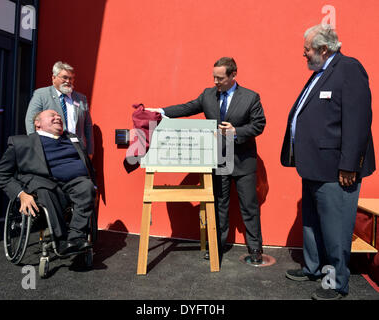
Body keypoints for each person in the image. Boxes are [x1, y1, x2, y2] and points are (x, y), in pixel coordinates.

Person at [280, 24, 375, 300]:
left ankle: (334, 283)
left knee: (335, 229)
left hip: (337, 169)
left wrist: (350, 164)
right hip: (313, 166)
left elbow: (358, 122)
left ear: (323, 49)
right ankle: (313, 268)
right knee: (311, 223)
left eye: (307, 50)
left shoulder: (348, 69)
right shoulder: (320, 73)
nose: (304, 55)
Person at [147, 57, 266, 263]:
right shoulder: (208, 95)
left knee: (249, 207)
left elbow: (259, 125)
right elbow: (187, 107)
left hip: (243, 162)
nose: (215, 82)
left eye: (220, 78)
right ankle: (217, 245)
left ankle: (255, 249)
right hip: (218, 160)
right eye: (213, 77)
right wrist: (162, 112)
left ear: (233, 75)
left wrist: (236, 131)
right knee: (219, 205)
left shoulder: (250, 97)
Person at [0, 110, 96, 255]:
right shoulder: (21, 143)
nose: (57, 118)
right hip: (45, 186)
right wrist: (21, 194)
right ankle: (60, 241)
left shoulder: (73, 139)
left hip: (74, 183)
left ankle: (76, 238)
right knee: (45, 190)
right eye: (52, 116)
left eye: (59, 116)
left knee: (86, 186)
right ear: (37, 123)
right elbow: (1, 174)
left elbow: (88, 165)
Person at [25, 61, 94, 157]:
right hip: (52, 148)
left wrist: (90, 151)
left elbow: (87, 126)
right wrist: (34, 147)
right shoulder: (41, 94)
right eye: (65, 77)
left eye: (71, 78)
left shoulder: (81, 98)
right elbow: (31, 120)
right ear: (53, 78)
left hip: (77, 150)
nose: (68, 81)